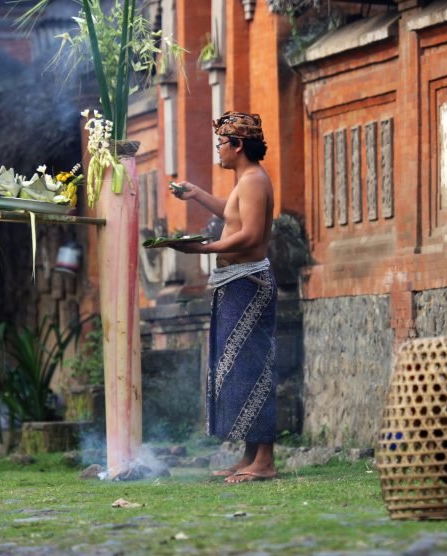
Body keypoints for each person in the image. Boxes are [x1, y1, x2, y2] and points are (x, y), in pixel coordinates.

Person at [169, 111, 278, 484]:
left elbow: (249, 236)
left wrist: (203, 249)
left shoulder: (253, 181)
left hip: (249, 283)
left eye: (221, 144)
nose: (219, 150)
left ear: (238, 145)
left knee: (252, 368)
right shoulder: (245, 181)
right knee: (237, 368)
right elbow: (232, 217)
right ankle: (250, 454)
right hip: (236, 282)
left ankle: (264, 460)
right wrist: (196, 194)